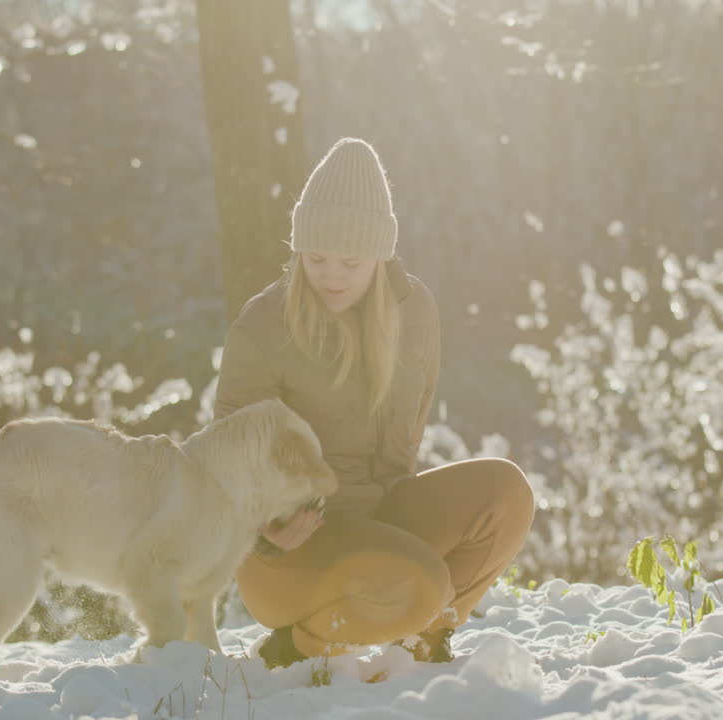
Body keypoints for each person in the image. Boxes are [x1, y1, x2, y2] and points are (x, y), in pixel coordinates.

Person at [214, 137, 535, 668]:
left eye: (350, 261)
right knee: (423, 580)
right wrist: (267, 522)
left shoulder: (416, 314)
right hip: (288, 549)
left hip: (382, 516)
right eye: (315, 258)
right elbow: (228, 456)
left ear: (380, 257)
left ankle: (419, 637)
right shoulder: (264, 325)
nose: (331, 276)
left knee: (506, 493)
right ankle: (299, 647)